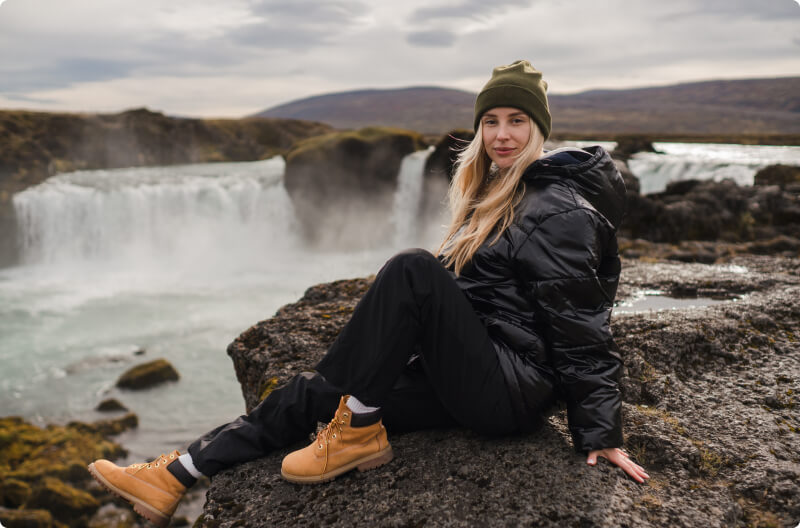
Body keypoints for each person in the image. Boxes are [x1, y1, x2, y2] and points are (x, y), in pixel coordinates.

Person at [88, 60, 648, 527]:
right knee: (313, 391)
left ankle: (355, 431)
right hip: (474, 366)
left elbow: (581, 328)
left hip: (511, 390)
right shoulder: (496, 191)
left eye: (518, 120)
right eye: (492, 121)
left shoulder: (560, 211)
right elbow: (478, 301)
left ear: (540, 130)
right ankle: (175, 475)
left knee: (413, 269)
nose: (502, 134)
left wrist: (600, 431)